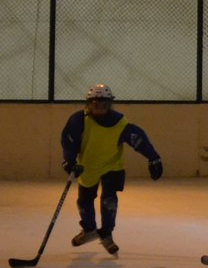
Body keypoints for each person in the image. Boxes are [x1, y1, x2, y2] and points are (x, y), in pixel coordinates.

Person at [60, 84, 163, 255]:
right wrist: (69, 161)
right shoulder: (79, 120)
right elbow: (69, 140)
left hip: (112, 166)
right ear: (88, 103)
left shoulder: (119, 123)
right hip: (88, 167)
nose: (99, 107)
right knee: (84, 202)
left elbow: (138, 139)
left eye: (103, 104)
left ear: (110, 104)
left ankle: (106, 234)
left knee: (109, 201)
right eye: (95, 103)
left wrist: (153, 157)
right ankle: (89, 230)